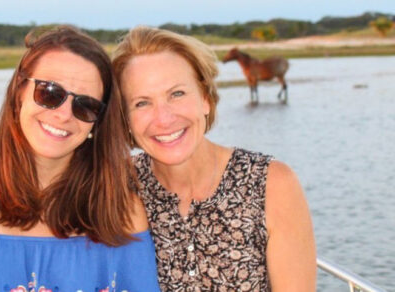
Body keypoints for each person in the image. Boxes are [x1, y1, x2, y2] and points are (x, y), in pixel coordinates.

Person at [0, 26, 160, 292]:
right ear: (19, 91)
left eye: (85, 105)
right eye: (49, 93)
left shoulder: (120, 207)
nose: (63, 115)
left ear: (98, 121)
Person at [112, 26, 316, 291]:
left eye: (177, 94)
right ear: (125, 118)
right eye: (141, 103)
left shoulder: (271, 183)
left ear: (205, 98)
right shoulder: (115, 186)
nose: (164, 119)